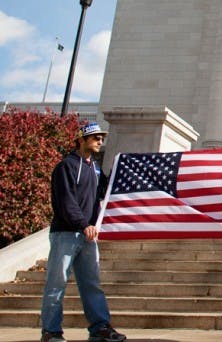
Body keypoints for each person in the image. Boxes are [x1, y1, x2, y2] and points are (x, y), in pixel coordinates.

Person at [40, 122, 126, 342]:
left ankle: (100, 328)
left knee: (91, 284)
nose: (100, 141)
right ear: (81, 139)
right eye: (95, 137)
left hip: (88, 235)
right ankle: (51, 331)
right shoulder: (66, 166)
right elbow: (66, 202)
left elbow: (109, 190)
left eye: (101, 138)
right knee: (56, 284)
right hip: (66, 234)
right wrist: (82, 223)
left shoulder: (95, 169)